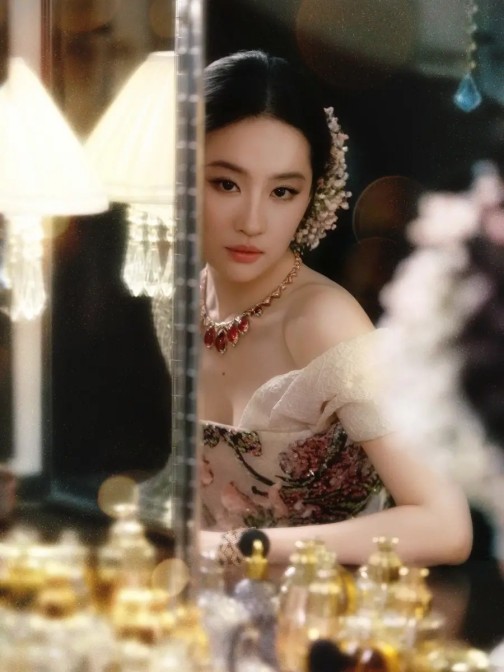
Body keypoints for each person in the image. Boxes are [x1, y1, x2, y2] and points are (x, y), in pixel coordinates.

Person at [198, 49, 472, 567]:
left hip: (330, 605)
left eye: (282, 191)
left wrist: (236, 546)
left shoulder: (324, 322)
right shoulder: (184, 300)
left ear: (313, 197)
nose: (252, 221)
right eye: (226, 183)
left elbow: (446, 527)